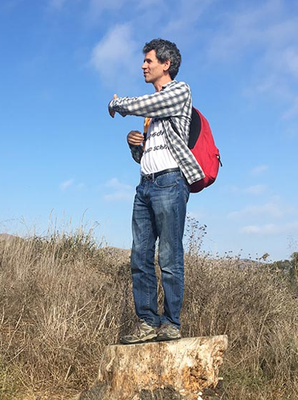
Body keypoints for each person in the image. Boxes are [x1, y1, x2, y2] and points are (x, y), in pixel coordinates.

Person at [108, 39, 204, 344]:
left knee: (169, 257)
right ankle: (147, 323)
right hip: (146, 184)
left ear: (166, 64)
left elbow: (146, 104)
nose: (143, 65)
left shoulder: (179, 91)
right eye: (144, 60)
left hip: (171, 183)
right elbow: (148, 154)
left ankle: (171, 323)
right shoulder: (152, 113)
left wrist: (118, 104)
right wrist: (135, 146)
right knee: (140, 256)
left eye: (149, 60)